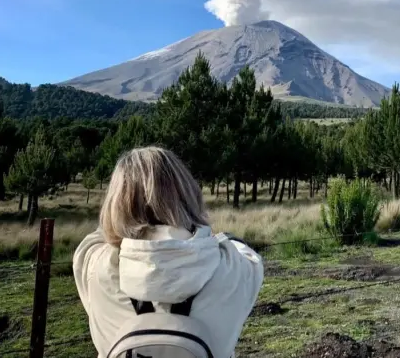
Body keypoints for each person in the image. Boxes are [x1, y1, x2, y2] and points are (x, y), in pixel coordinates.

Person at [73, 147, 264, 358]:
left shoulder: (96, 267)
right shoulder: (236, 271)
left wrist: (122, 217)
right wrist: (203, 230)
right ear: (189, 193)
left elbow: (96, 238)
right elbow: (243, 250)